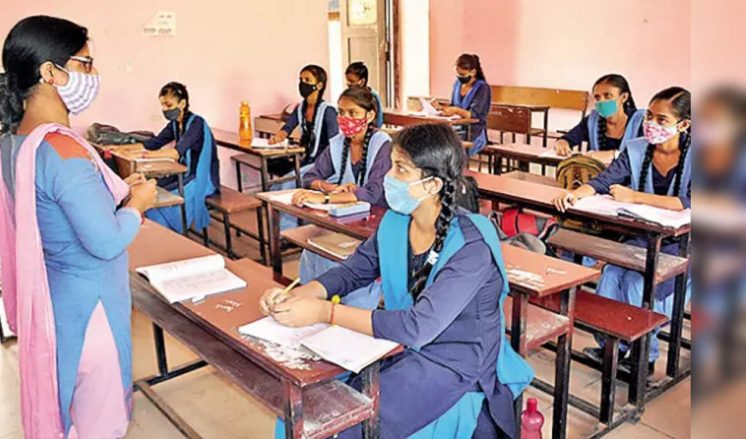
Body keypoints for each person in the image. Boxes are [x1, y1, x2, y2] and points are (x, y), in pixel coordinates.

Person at [264, 124, 532, 438]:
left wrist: (325, 313)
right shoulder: (395, 222)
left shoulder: (472, 246)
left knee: (348, 427)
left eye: (400, 169)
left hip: (455, 361)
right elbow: (354, 270)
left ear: (431, 185)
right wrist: (297, 294)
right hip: (401, 346)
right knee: (300, 412)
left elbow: (419, 326)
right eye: (391, 164)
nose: (388, 177)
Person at [0, 15, 158, 438]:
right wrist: (137, 206)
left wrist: (115, 197)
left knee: (70, 415)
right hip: (92, 308)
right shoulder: (61, 147)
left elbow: (52, 211)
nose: (93, 74)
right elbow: (106, 240)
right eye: (85, 63)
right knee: (100, 423)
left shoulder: (13, 141)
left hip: (53, 302)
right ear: (50, 72)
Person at [553, 87, 691, 373]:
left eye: (662, 120)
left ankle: (644, 357)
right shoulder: (638, 148)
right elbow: (605, 179)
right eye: (649, 116)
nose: (651, 124)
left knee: (639, 284)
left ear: (684, 125)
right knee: (610, 278)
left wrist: (636, 196)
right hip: (644, 237)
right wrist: (578, 194)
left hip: (686, 245)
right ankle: (612, 348)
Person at [294, 85, 391, 309]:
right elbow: (311, 176)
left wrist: (326, 199)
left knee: (348, 256)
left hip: (377, 223)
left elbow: (373, 193)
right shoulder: (339, 143)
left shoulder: (382, 144)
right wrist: (325, 186)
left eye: (353, 113)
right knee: (313, 247)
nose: (345, 118)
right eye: (341, 112)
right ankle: (317, 298)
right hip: (348, 219)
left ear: (370, 115)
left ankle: (352, 305)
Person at [104, 82, 220, 234]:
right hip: (187, 173)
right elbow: (152, 143)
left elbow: (176, 153)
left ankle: (171, 231)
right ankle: (159, 230)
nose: (165, 109)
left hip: (202, 178)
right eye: (162, 105)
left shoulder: (196, 123)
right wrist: (121, 149)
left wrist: (144, 155)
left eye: (168, 104)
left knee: (163, 196)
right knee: (154, 189)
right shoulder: (174, 124)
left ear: (182, 103)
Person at [553, 74, 645, 163]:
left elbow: (646, 155)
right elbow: (571, 137)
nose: (601, 101)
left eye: (608, 96)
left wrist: (614, 154)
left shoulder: (641, 122)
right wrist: (562, 142)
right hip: (597, 176)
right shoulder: (592, 120)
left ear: (624, 97)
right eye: (597, 97)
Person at [268, 64, 339, 176]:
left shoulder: (328, 111)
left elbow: (335, 145)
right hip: (305, 159)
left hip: (322, 163)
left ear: (319, 85)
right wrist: (278, 137)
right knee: (272, 164)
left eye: (307, 80)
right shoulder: (300, 109)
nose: (302, 83)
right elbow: (287, 128)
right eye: (301, 79)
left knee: (289, 179)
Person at [436, 53, 491, 155]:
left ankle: (455, 169)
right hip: (456, 127)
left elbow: (474, 114)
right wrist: (442, 109)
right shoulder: (457, 84)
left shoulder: (482, 88)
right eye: (458, 74)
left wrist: (456, 110)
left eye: (462, 75)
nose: (459, 78)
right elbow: (453, 105)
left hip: (474, 131)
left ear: (473, 72)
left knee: (448, 147)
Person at [345, 61, 384, 127]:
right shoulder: (348, 96)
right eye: (347, 80)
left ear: (362, 81)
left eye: (352, 81)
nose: (348, 84)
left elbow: (378, 121)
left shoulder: (372, 96)